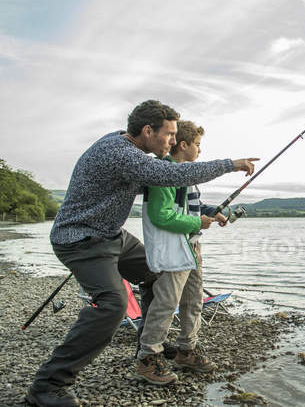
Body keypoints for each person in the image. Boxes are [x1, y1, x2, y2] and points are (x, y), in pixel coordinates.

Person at [27, 100, 258, 407]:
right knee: (113, 304)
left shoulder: (128, 146)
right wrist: (231, 163)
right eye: (169, 135)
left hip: (112, 236)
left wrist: (206, 209)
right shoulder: (120, 153)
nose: (174, 142)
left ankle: (149, 354)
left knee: (157, 274)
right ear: (148, 131)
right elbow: (173, 175)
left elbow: (169, 187)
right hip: (80, 239)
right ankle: (49, 384)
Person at [135, 120, 226, 385]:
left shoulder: (186, 176)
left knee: (193, 301)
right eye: (197, 145)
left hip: (192, 245)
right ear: (183, 145)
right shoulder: (164, 173)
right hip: (175, 248)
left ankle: (187, 349)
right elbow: (162, 216)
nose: (200, 150)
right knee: (165, 302)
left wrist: (209, 213)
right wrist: (198, 222)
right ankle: (148, 356)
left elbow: (188, 205)